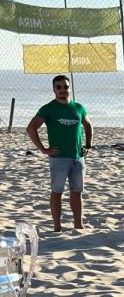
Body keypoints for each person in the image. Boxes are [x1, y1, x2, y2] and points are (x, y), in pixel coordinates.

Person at [27, 75, 91, 232]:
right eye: (59, 87)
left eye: (66, 87)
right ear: (54, 89)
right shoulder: (49, 108)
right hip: (59, 158)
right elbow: (31, 128)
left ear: (70, 88)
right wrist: (43, 149)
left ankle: (78, 224)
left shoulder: (79, 107)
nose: (63, 90)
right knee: (57, 192)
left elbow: (88, 125)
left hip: (78, 157)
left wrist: (88, 145)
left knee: (77, 192)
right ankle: (57, 227)